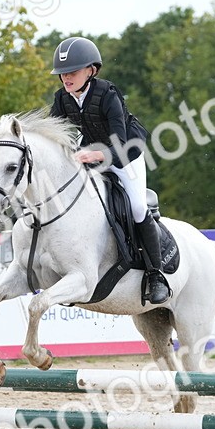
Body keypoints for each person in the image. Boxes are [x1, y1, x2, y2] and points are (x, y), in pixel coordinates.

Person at [48, 36, 169, 304]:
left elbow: (122, 144)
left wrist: (98, 154)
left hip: (125, 154)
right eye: (62, 74)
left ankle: (156, 275)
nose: (66, 78)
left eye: (72, 72)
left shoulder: (108, 94)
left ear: (91, 70)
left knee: (137, 207)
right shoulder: (62, 99)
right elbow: (55, 136)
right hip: (90, 154)